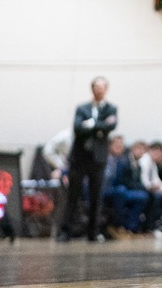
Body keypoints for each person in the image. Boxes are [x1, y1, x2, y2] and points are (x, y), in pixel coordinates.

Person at [62, 76, 117, 241]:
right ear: (92, 89)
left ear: (106, 89)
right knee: (73, 196)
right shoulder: (82, 108)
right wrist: (99, 126)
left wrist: (91, 124)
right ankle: (66, 232)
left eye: (102, 87)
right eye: (96, 87)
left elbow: (111, 126)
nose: (99, 90)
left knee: (96, 197)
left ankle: (93, 233)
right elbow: (78, 127)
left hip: (98, 159)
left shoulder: (111, 108)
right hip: (79, 158)